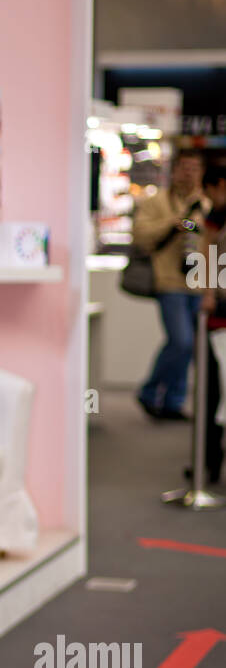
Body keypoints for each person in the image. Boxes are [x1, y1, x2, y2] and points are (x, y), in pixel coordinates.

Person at [134, 150, 209, 421]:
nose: (188, 172)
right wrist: (172, 224)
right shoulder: (156, 202)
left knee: (190, 346)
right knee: (181, 341)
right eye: (184, 167)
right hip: (169, 281)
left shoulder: (209, 203)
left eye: (194, 167)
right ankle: (151, 390)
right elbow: (140, 235)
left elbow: (205, 233)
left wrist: (189, 224)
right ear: (174, 170)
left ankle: (173, 403)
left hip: (201, 284)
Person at [193, 165, 226, 484]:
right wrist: (208, 292)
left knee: (215, 391)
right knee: (213, 390)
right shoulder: (213, 221)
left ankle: (210, 460)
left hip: (217, 312)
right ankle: (209, 460)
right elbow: (206, 258)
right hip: (218, 317)